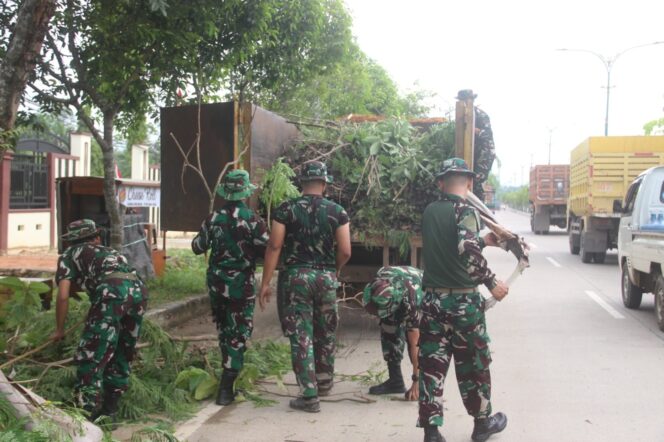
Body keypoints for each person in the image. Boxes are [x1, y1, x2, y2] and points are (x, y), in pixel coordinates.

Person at [418, 158, 509, 442]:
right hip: (464, 305)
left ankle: (431, 431)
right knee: (473, 363)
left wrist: (484, 241)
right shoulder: (467, 211)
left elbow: (451, 245)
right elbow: (467, 250)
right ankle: (482, 424)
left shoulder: (430, 211)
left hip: (433, 302)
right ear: (469, 183)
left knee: (432, 365)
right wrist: (492, 282)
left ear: (440, 183)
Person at [258, 160, 351, 413]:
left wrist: (265, 283)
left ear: (301, 183)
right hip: (325, 277)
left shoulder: (286, 209)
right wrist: (334, 269)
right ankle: (324, 381)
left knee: (301, 333)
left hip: (296, 278)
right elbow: (345, 250)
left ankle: (309, 395)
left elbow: (275, 246)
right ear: (324, 184)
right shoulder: (337, 211)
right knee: (326, 330)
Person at [51, 219, 148, 422]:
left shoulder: (68, 255)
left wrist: (59, 329)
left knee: (92, 353)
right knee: (123, 349)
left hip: (110, 294)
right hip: (138, 290)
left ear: (70, 242)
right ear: (96, 237)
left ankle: (84, 415)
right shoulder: (110, 252)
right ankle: (110, 411)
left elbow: (62, 295)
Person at [192, 169, 268, 406]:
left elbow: (197, 246)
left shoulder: (213, 218)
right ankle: (227, 385)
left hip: (216, 284)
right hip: (240, 286)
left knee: (225, 329)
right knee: (239, 332)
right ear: (245, 192)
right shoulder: (253, 220)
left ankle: (228, 370)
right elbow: (268, 251)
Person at [363, 265, 423, 401]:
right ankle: (395, 381)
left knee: (415, 340)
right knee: (388, 327)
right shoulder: (380, 276)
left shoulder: (410, 301)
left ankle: (424, 384)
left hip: (424, 295)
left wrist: (416, 380)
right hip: (399, 291)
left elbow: (416, 343)